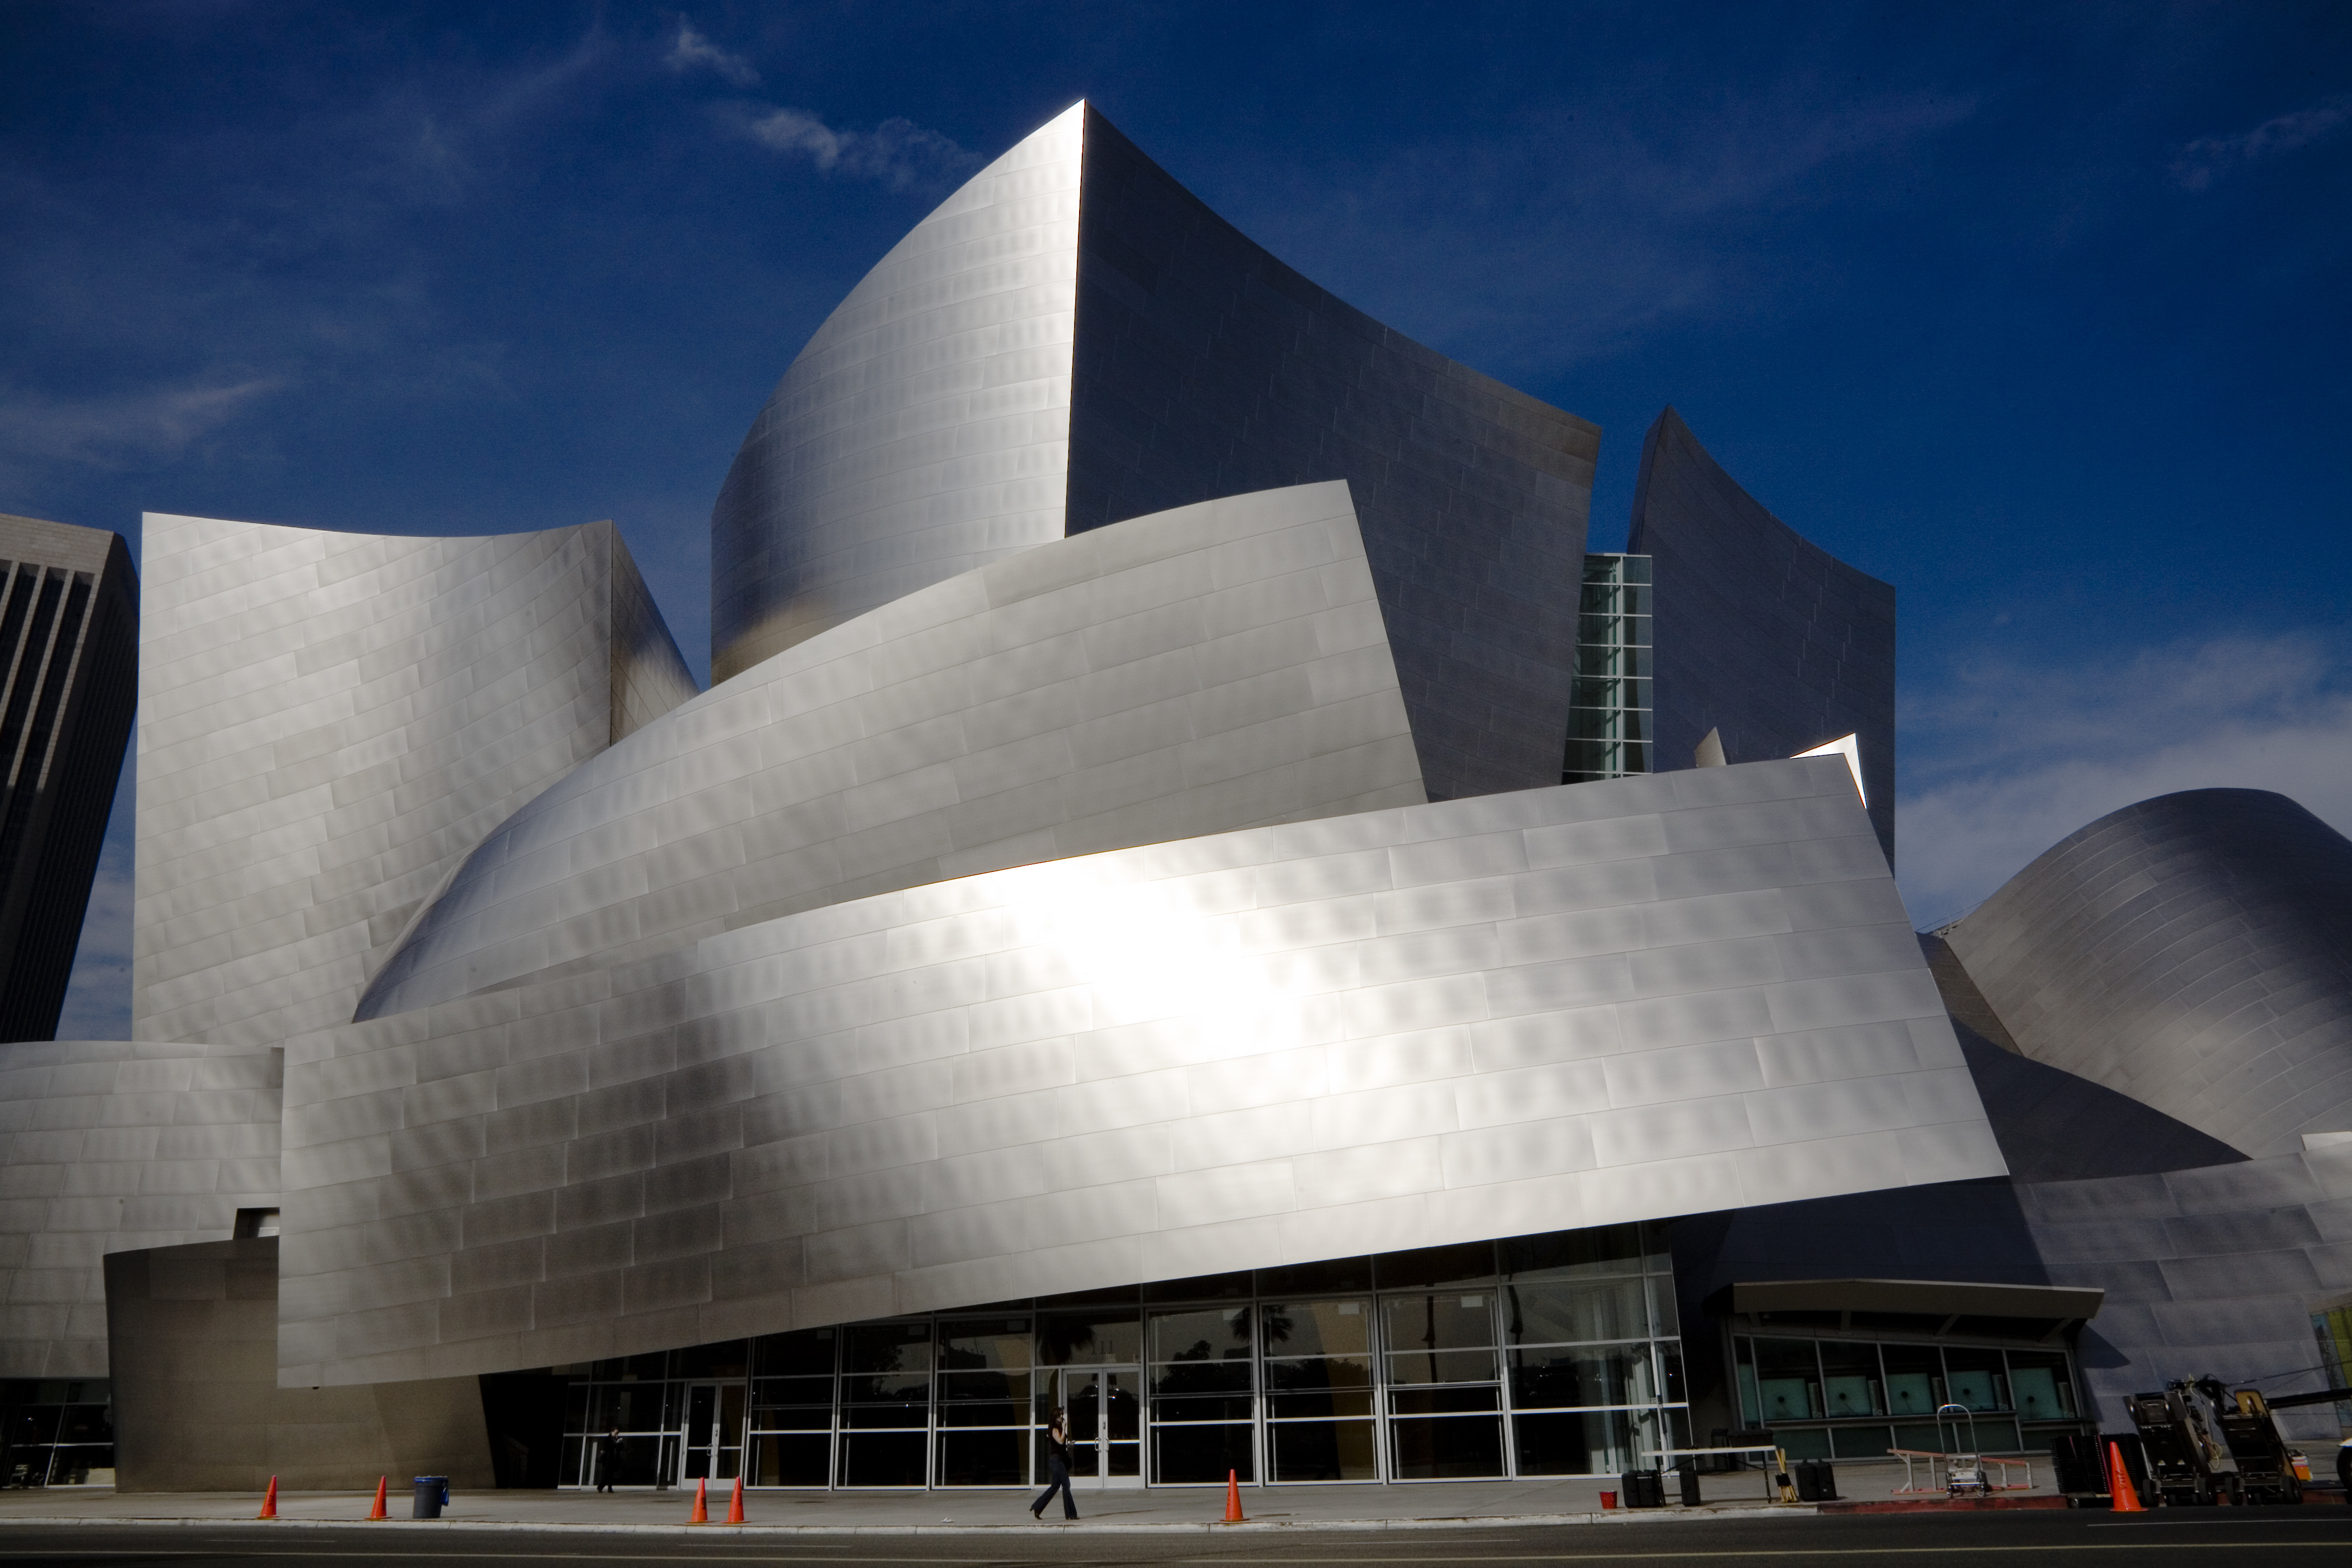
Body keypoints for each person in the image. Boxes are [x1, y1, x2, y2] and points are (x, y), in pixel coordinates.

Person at [1030, 1408, 1078, 1521]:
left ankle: (1037, 1507)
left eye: (1062, 1414)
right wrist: (1065, 1428)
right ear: (1055, 1417)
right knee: (1066, 1484)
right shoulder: (1054, 1429)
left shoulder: (1058, 1427)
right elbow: (1060, 1441)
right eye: (1059, 1415)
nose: (1061, 1417)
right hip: (1056, 1460)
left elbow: (1060, 1444)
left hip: (1060, 1459)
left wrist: (1068, 1445)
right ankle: (1070, 1514)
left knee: (1055, 1486)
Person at [596, 1426, 622, 1493]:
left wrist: (619, 1443)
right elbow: (605, 1447)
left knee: (611, 1475)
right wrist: (616, 1443)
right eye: (616, 1433)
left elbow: (621, 1448)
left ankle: (610, 1488)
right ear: (612, 1432)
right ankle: (600, 1487)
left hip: (614, 1459)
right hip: (608, 1460)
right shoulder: (608, 1439)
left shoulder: (617, 1439)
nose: (617, 1435)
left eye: (618, 1433)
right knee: (607, 1475)